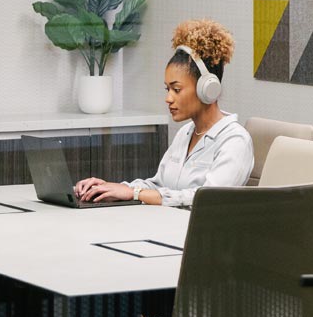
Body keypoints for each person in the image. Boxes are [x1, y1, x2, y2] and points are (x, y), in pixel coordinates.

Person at [74, 18, 252, 208]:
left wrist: (135, 193)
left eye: (177, 89)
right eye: (167, 89)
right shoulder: (186, 133)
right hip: (167, 222)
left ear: (207, 89)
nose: (168, 98)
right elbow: (159, 186)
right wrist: (114, 188)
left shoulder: (235, 141)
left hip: (197, 227)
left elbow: (208, 199)